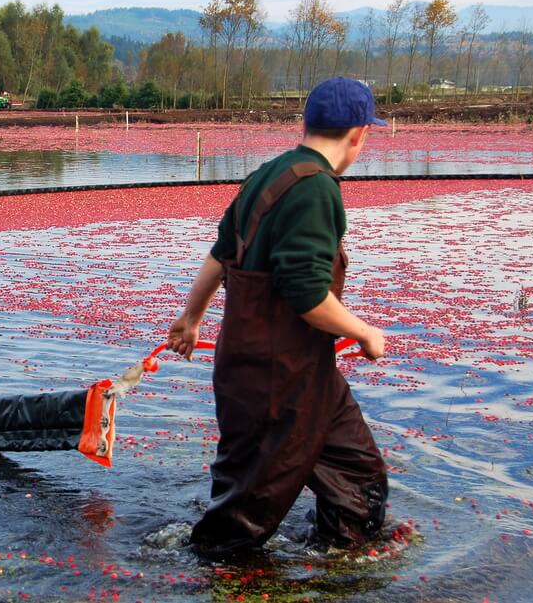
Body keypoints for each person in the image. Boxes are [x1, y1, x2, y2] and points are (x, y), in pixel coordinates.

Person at [167, 77, 390, 559]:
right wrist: (364, 331)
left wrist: (190, 317)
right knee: (241, 523)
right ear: (359, 134)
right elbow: (307, 295)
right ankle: (202, 577)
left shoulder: (270, 174)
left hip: (299, 375)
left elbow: (221, 254)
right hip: (276, 382)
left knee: (358, 480)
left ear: (305, 123)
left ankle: (339, 565)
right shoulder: (316, 191)